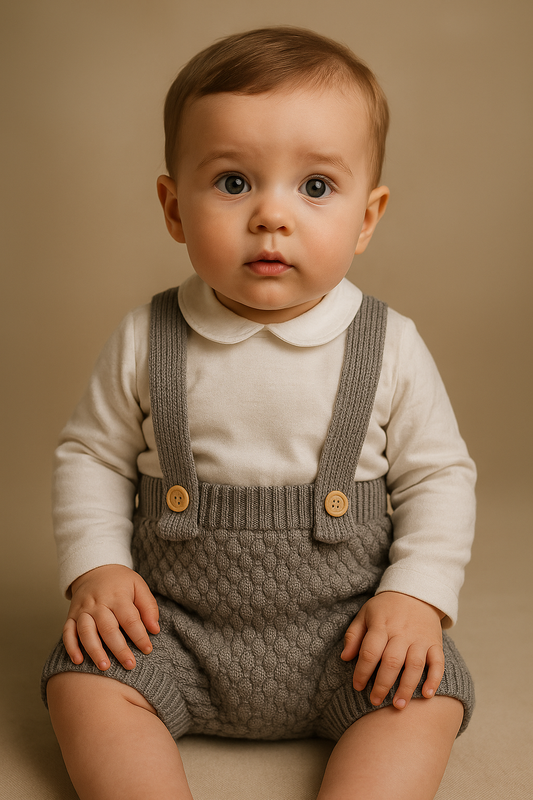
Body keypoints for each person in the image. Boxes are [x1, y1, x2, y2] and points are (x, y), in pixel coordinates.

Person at [42, 26, 476, 800]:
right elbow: (92, 457)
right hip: (170, 628)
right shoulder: (148, 336)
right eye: (234, 182)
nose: (271, 216)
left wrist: (414, 596)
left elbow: (438, 474)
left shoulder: (389, 345)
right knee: (81, 683)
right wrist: (97, 570)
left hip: (347, 636)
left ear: (367, 217)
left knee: (423, 697)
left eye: (315, 187)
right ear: (174, 208)